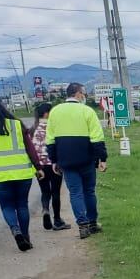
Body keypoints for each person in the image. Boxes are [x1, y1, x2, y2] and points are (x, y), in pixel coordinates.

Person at [0, 99, 42, 252]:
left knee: (7, 206)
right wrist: (38, 167)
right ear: (4, 110)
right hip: (22, 173)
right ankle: (25, 237)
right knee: (22, 205)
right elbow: (29, 148)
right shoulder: (16, 125)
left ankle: (15, 229)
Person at [46, 82, 107, 238]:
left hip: (65, 160)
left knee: (75, 193)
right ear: (78, 94)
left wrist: (53, 160)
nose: (84, 96)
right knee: (89, 191)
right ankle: (93, 223)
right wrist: (102, 158)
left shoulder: (55, 111)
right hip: (86, 158)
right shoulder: (87, 111)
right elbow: (97, 137)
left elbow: (50, 139)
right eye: (84, 93)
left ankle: (82, 226)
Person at [26, 102, 70, 231]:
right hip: (53, 164)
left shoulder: (32, 129)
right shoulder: (54, 127)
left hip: (39, 166)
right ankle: (57, 220)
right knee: (56, 192)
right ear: (47, 113)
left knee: (45, 191)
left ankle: (45, 210)